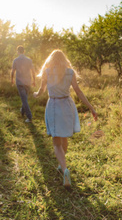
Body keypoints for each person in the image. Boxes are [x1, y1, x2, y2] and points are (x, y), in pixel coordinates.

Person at [33, 49, 97, 188]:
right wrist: (91, 108)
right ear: (64, 59)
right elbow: (78, 91)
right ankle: (62, 165)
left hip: (54, 105)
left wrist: (36, 94)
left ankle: (64, 169)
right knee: (64, 137)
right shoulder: (70, 72)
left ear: (51, 60)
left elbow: (42, 90)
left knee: (56, 142)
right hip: (67, 105)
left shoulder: (47, 72)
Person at [11, 45, 36, 123]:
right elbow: (33, 71)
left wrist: (11, 79)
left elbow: (12, 71)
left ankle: (29, 116)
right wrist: (34, 80)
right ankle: (22, 111)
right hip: (28, 82)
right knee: (24, 98)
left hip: (19, 82)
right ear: (24, 51)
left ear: (17, 52)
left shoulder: (15, 60)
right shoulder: (29, 60)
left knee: (24, 99)